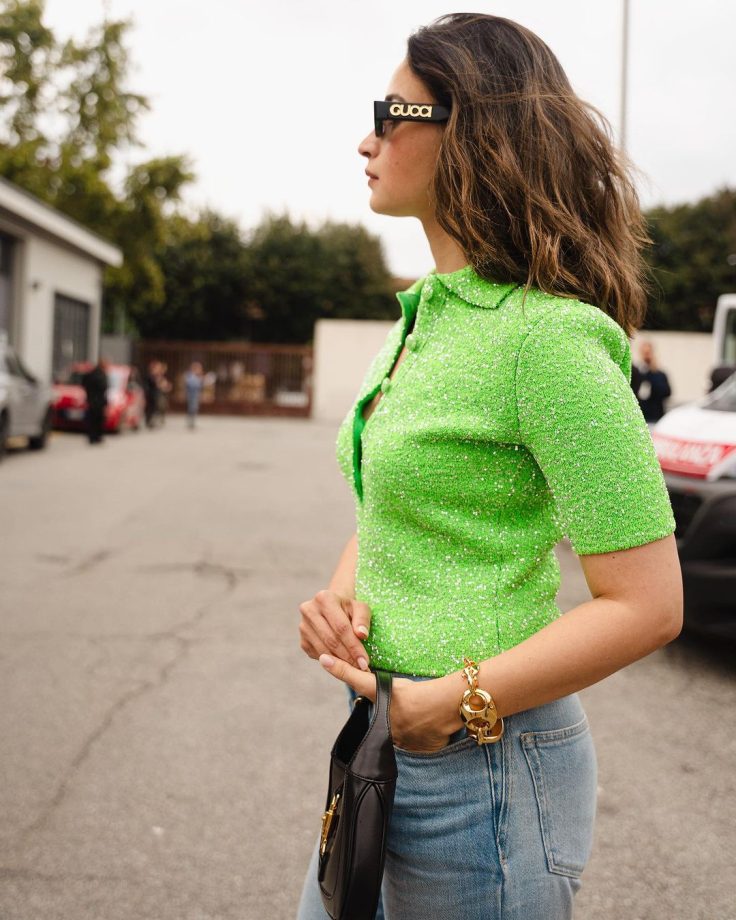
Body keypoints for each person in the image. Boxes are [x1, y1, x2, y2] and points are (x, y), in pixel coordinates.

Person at [296, 14, 682, 920]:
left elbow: (651, 603)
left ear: (472, 131)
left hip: (485, 774)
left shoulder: (542, 340)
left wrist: (447, 704)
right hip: (383, 741)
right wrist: (343, 597)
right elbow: (394, 510)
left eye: (390, 114)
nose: (367, 139)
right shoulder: (428, 316)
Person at [632, 339, 672, 424]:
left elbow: (667, 392)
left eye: (648, 353)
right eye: (644, 353)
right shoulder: (636, 372)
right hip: (640, 417)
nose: (646, 356)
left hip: (655, 417)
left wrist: (652, 371)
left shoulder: (659, 374)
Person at [81, 358, 109, 445]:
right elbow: (103, 387)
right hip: (98, 401)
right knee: (97, 420)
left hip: (92, 400)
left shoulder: (91, 373)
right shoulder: (100, 374)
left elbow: (84, 384)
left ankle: (93, 437)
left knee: (93, 420)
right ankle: (96, 437)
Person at [184, 361, 204, 429]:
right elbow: (191, 384)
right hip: (191, 394)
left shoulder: (197, 376)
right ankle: (190, 421)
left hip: (196, 394)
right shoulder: (190, 375)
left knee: (194, 408)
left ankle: (192, 421)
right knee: (191, 408)